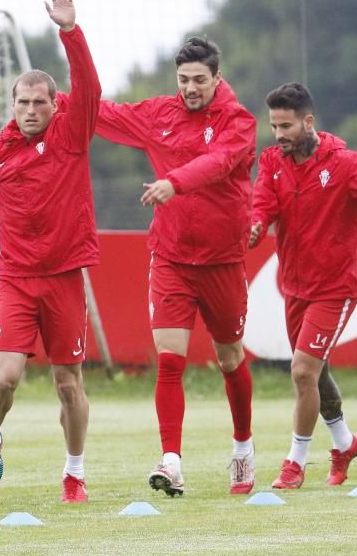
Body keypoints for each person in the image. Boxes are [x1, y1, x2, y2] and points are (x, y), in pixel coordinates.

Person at [91, 36, 258, 496]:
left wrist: (173, 183)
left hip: (223, 260)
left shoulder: (238, 122)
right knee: (169, 359)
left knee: (229, 357)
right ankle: (171, 462)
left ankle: (243, 449)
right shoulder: (159, 114)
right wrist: (51, 97)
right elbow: (101, 113)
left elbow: (221, 163)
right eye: (183, 79)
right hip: (170, 257)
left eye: (199, 80)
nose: (190, 88)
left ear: (217, 78)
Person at [250, 82, 357, 489]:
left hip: (335, 288)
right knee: (314, 373)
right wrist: (255, 225)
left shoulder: (344, 163)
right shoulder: (273, 162)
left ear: (308, 122)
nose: (279, 135)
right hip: (294, 287)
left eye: (287, 126)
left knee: (301, 370)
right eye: (274, 126)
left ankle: (295, 463)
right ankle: (345, 443)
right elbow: (262, 203)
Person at [0, 0, 100, 503]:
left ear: (53, 104)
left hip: (65, 278)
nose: (30, 109)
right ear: (12, 103)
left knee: (69, 383)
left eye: (39, 102)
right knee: (4, 379)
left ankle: (74, 472)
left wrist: (70, 31)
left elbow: (88, 85)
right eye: (22, 102)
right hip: (17, 281)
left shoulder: (72, 133)